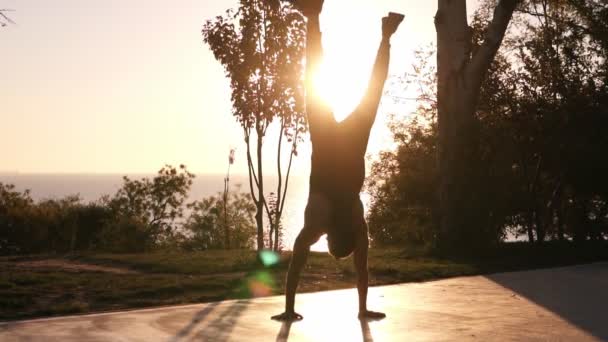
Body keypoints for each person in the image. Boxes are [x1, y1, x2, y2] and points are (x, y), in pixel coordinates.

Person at [272, 0, 404, 321]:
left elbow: (362, 269)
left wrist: (363, 308)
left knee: (375, 90)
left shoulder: (356, 225)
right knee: (312, 82)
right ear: (332, 237)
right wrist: (288, 310)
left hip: (351, 142)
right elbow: (297, 263)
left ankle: (386, 34)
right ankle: (314, 17)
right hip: (328, 138)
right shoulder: (321, 222)